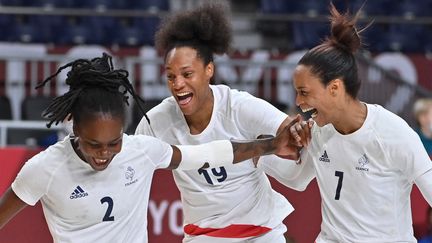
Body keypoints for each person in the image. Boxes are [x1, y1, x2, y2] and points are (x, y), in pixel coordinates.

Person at [0, 53, 303, 243]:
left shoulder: (140, 150)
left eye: (114, 142)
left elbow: (209, 154)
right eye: (94, 145)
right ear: (74, 127)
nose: (104, 153)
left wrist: (271, 145)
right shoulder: (44, 168)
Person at [135, 2, 309, 242]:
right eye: (171, 76)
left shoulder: (238, 107)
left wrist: (298, 130)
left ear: (209, 70)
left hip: (261, 233)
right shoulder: (156, 122)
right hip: (203, 236)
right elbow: (129, 165)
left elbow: (289, 129)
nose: (177, 84)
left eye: (187, 74)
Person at [285, 3, 432, 242]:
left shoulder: (393, 133)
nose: (297, 101)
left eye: (304, 92)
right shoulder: (318, 131)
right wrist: (261, 151)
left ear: (334, 88)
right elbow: (297, 179)